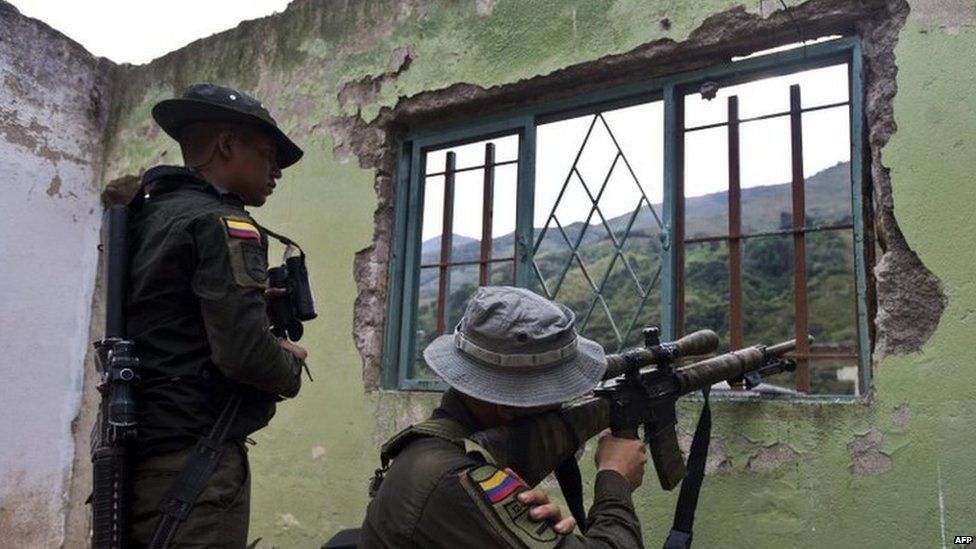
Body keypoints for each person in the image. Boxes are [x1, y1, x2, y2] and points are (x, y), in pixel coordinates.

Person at [125, 83, 309, 547]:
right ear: (227, 145)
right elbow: (246, 354)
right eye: (268, 156)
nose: (277, 173)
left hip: (141, 448)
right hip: (195, 464)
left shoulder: (148, 217)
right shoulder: (226, 224)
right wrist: (289, 360)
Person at [360, 286, 648, 548]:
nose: (562, 404)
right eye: (555, 393)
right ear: (509, 406)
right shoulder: (455, 480)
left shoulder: (434, 447)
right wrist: (615, 478)